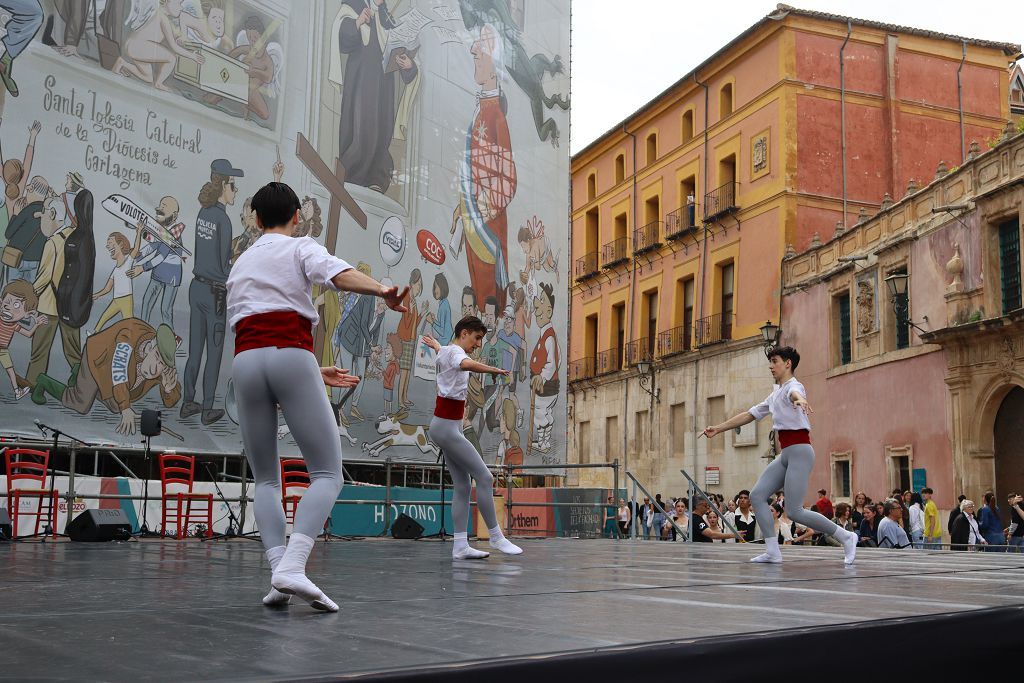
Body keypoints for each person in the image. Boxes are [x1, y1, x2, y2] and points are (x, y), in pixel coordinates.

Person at [226, 181, 408, 611]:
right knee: (328, 474)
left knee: (266, 479)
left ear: (254, 219)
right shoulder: (299, 246)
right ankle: (292, 565)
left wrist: (312, 370)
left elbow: (252, 328)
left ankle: (277, 574)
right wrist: (382, 291)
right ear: (295, 218)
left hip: (247, 363)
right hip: (290, 355)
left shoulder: (241, 263)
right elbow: (338, 274)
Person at [702, 346, 858, 564]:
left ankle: (846, 536)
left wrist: (799, 401)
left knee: (794, 511)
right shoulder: (776, 393)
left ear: (788, 364)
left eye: (774, 361)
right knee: (757, 496)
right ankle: (773, 551)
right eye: (770, 361)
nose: (770, 366)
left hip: (801, 451)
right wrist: (718, 428)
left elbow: (796, 394)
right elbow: (749, 414)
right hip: (786, 453)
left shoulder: (794, 387)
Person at [421, 318, 522, 560]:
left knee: (464, 485)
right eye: (476, 338)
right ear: (464, 333)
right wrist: (493, 370)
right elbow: (465, 363)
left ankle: (459, 545)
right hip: (447, 428)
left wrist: (435, 344)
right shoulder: (455, 352)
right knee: (485, 477)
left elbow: (443, 351)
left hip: (445, 427)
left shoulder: (445, 349)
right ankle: (496, 537)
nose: (478, 344)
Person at [182, 160, 244, 425]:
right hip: (215, 294)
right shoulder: (223, 219)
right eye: (233, 185)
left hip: (196, 288)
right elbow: (222, 267)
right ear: (223, 186)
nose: (235, 191)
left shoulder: (203, 213)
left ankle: (188, 402)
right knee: (214, 353)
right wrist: (239, 263)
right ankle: (207, 409)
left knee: (195, 350)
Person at [0, 278, 45, 398]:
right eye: (7, 302)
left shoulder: (14, 325)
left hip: (3, 350)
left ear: (26, 315)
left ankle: (17, 392)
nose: (9, 307)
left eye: (16, 306)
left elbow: (29, 334)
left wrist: (36, 324)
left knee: (10, 370)